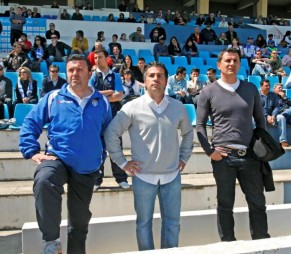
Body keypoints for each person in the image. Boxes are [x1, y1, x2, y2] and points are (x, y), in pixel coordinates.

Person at [19, 54, 111, 254]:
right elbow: (30, 122)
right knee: (44, 180)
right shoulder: (53, 98)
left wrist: (100, 157)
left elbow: (107, 133)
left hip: (87, 166)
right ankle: (51, 242)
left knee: (79, 224)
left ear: (89, 72)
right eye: (70, 70)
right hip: (57, 157)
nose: (74, 74)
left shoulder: (102, 102)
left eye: (79, 69)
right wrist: (31, 151)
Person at [104, 61, 193, 251]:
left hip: (172, 176)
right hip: (143, 177)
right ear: (144, 80)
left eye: (160, 75)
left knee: (173, 224)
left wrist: (184, 157)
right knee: (143, 224)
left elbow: (188, 133)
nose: (156, 79)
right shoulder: (132, 107)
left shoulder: (178, 107)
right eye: (151, 75)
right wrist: (122, 162)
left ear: (166, 80)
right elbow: (111, 132)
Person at [197, 48, 270, 241]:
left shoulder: (250, 89)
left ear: (240, 64)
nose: (231, 64)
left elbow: (260, 121)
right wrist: (209, 151)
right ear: (219, 64)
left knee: (257, 203)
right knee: (225, 204)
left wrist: (259, 148)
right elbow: (200, 125)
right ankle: (228, 244)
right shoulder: (208, 91)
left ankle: (262, 242)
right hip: (223, 158)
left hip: (250, 157)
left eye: (235, 60)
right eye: (227, 60)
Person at [88, 49, 129, 190]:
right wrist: (109, 92)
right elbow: (91, 95)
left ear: (107, 59)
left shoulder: (115, 75)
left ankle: (121, 178)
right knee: (97, 149)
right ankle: (97, 180)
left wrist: (101, 96)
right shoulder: (93, 76)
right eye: (95, 58)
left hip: (113, 115)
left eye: (100, 57)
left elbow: (119, 96)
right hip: (97, 116)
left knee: (115, 146)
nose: (97, 60)